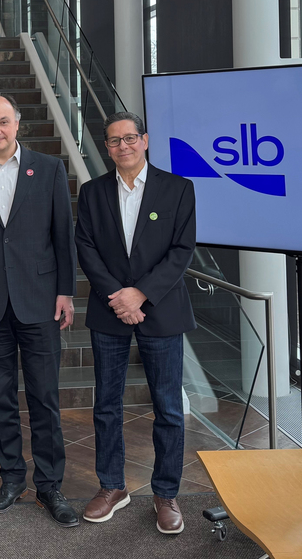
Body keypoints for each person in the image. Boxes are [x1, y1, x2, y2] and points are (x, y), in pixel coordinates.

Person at [0, 93, 79, 527]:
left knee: (45, 398)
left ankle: (50, 484)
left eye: (3, 121)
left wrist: (66, 291)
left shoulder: (48, 168)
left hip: (40, 301)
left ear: (18, 123)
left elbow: (63, 235)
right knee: (0, 399)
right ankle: (10, 478)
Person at [74, 112, 196, 534]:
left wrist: (140, 294)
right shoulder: (91, 193)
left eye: (129, 138)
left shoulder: (179, 188)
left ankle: (166, 494)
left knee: (167, 408)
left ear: (144, 140)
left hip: (161, 309)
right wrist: (120, 298)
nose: (122, 146)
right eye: (113, 141)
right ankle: (112, 487)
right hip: (109, 312)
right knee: (106, 405)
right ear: (106, 148)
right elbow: (85, 248)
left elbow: (181, 251)